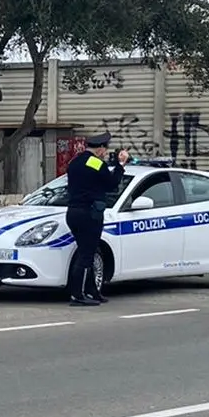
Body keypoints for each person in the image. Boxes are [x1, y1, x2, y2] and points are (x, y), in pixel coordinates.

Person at [64, 131, 129, 306]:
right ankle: (77, 295)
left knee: (88, 252)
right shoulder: (94, 162)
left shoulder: (74, 161)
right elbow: (111, 184)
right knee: (86, 254)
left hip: (73, 212)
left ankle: (92, 291)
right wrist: (121, 164)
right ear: (100, 149)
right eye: (105, 149)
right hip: (89, 214)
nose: (106, 153)